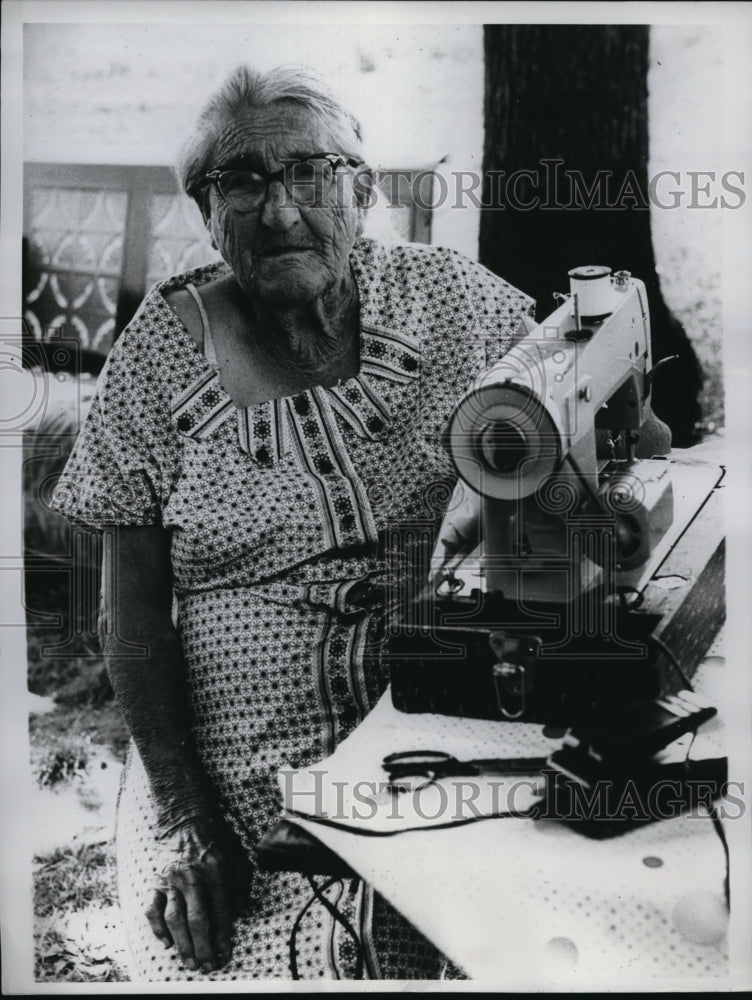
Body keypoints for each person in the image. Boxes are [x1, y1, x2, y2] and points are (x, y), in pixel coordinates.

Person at [51, 64, 534, 981]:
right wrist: (186, 817)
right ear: (207, 211)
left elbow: (573, 418)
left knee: (511, 926)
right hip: (245, 774)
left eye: (309, 175)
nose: (279, 214)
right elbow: (133, 621)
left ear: (360, 190)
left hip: (452, 723)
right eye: (242, 183)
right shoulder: (157, 358)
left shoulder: (451, 300)